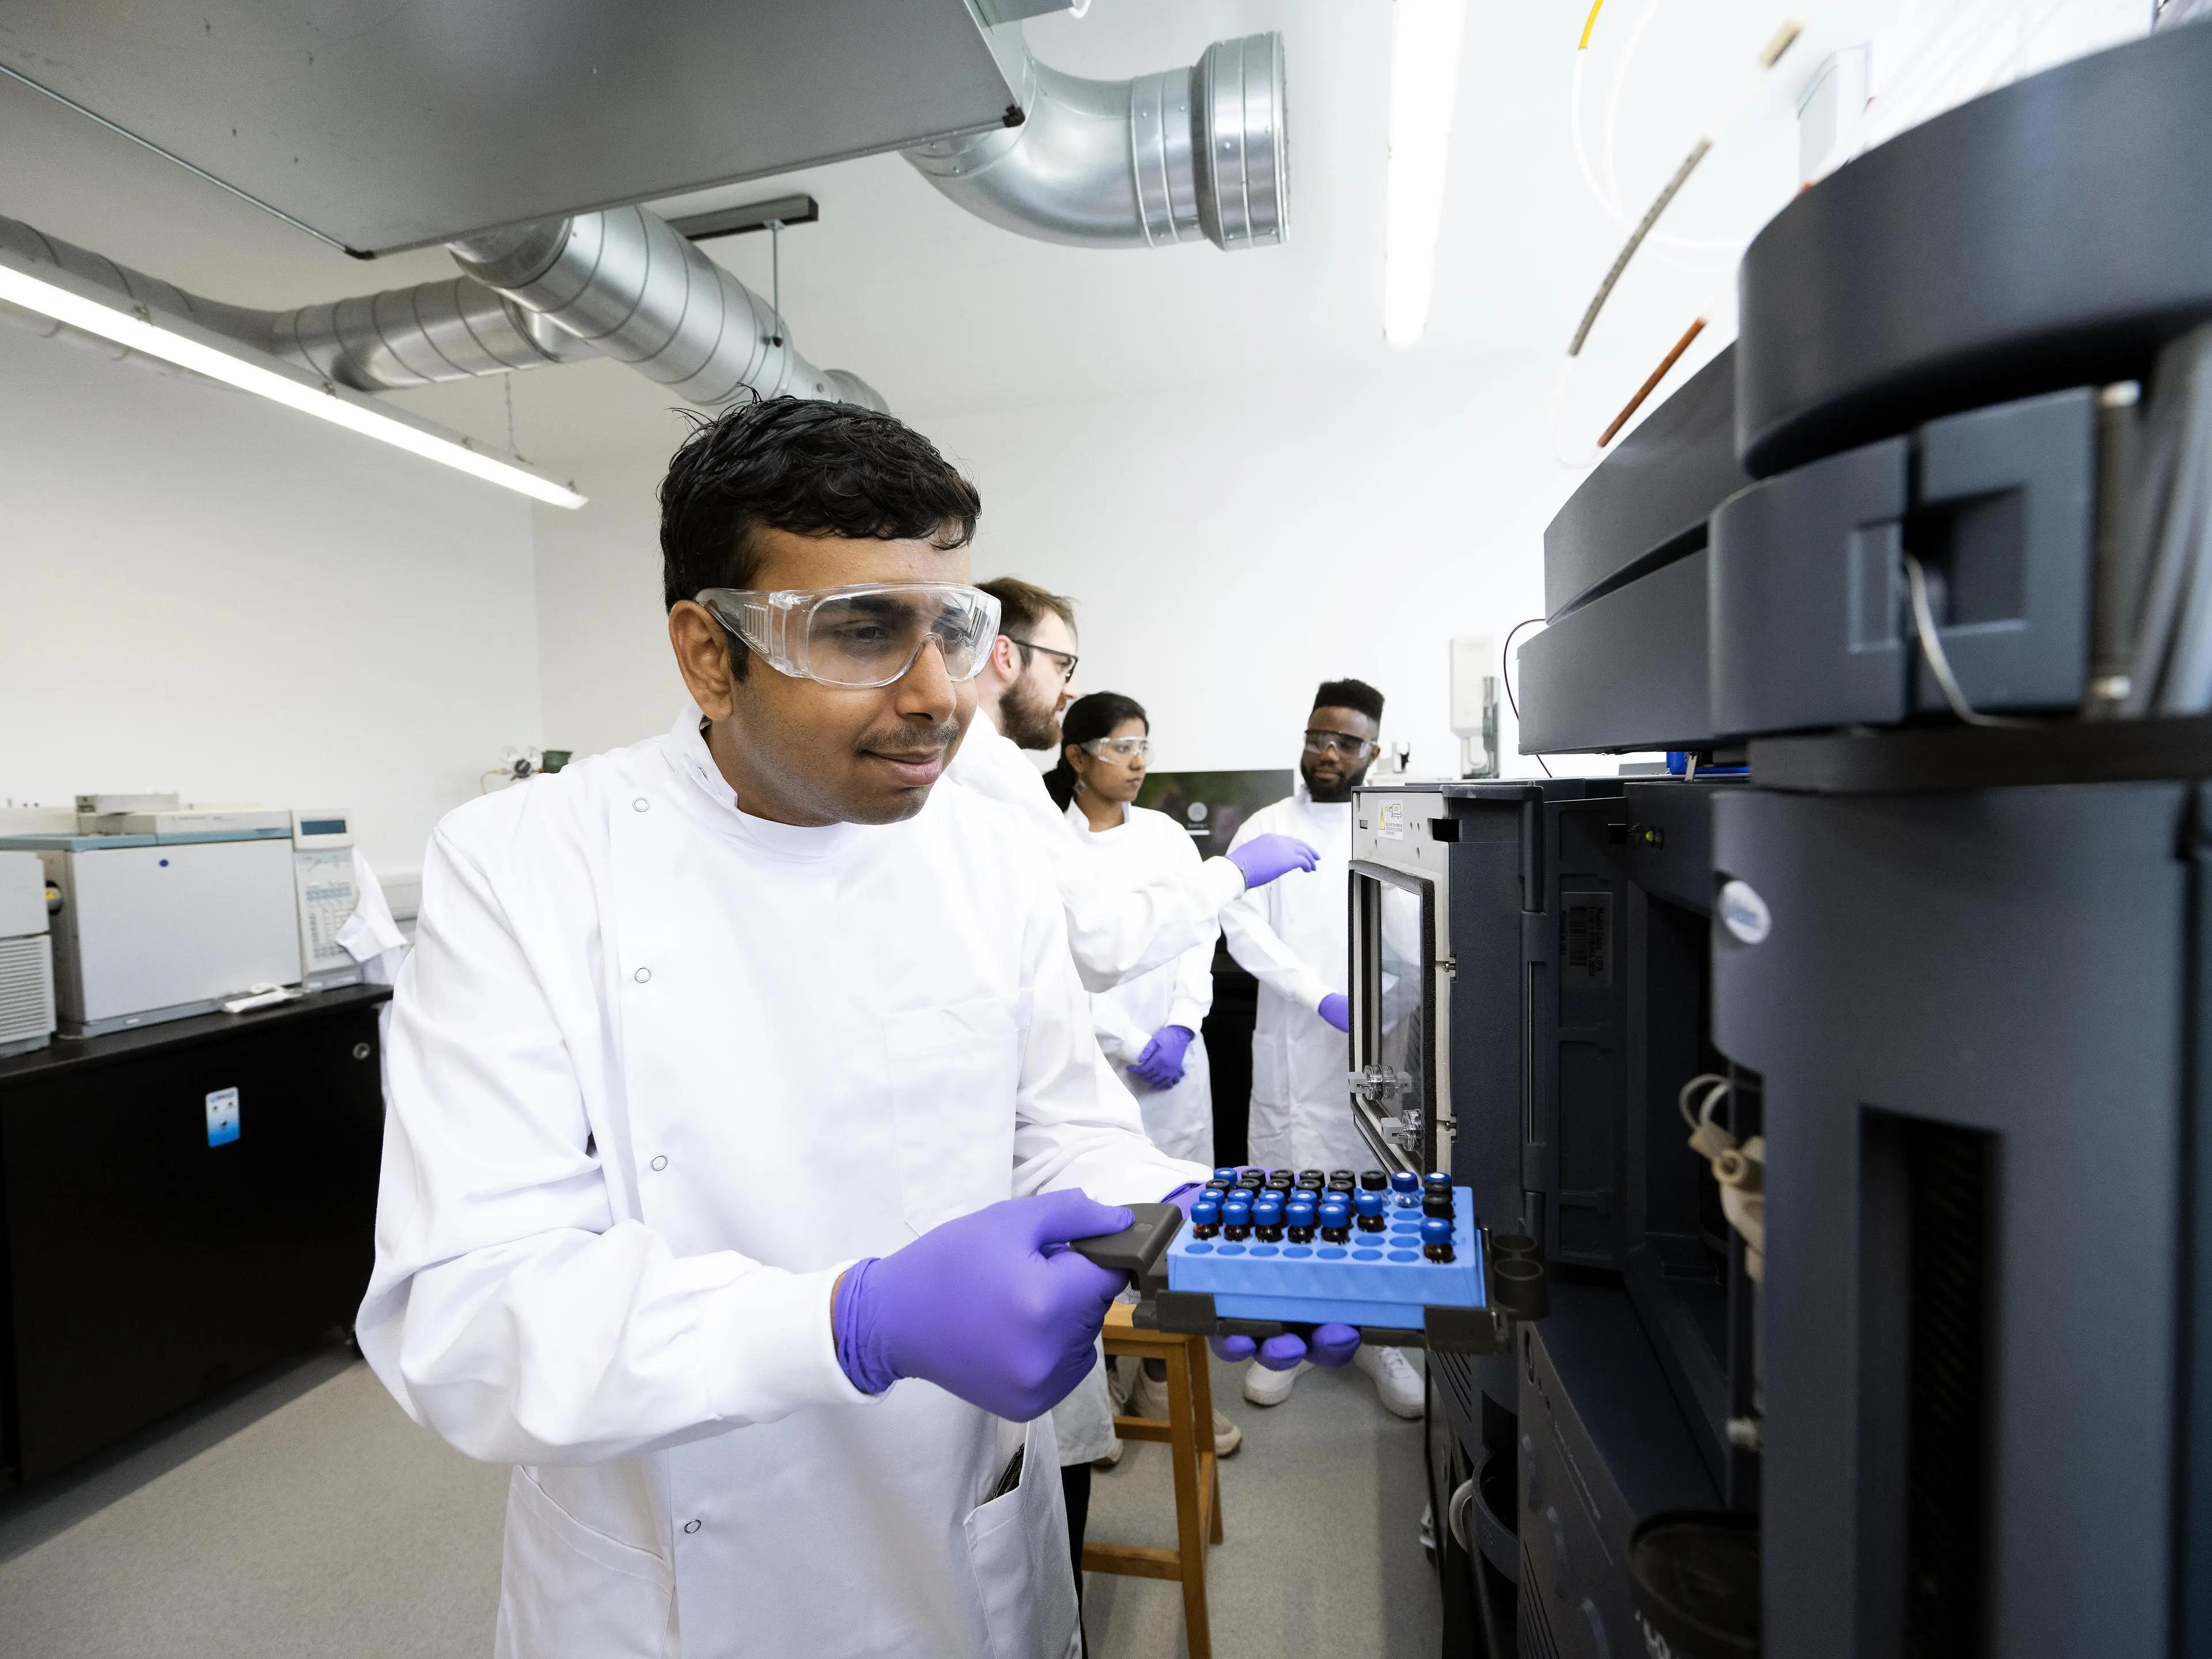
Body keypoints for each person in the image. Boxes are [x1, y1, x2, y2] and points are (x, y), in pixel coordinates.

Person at [355, 397, 1214, 1659]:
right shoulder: (527, 865)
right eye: (865, 630)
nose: (937, 696)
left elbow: (1058, 1131)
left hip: (956, 1522)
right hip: (679, 1566)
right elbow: (468, 1315)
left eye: (954, 630)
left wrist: (1188, 1226)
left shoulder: (988, 851)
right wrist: (853, 1323)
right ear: (710, 654)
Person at [949, 577, 1320, 989]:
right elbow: (1103, 944)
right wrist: (1234, 873)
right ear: (1006, 655)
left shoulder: (958, 759)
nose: (1069, 689)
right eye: (1061, 666)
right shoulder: (991, 769)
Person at [1221, 677, 1426, 1419]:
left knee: (1371, 1189)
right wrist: (1319, 995)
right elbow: (1243, 928)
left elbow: (1411, 933)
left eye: (1344, 742)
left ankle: (1379, 1341)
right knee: (1289, 1191)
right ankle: (1292, 1332)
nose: (1327, 753)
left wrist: (1381, 1008)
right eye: (1317, 737)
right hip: (1291, 1046)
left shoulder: (1390, 830)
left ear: (1374, 751)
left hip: (1372, 1050)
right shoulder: (1268, 828)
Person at [1047, 692, 1215, 1167]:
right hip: (1096, 1063)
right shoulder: (1053, 846)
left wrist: (1182, 1025)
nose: (1138, 763)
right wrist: (1131, 1043)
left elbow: (1200, 933)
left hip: (1177, 1060)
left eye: (1143, 747)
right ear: (1077, 756)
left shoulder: (1165, 834)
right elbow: (1058, 967)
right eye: (1121, 748)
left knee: (1187, 1201)